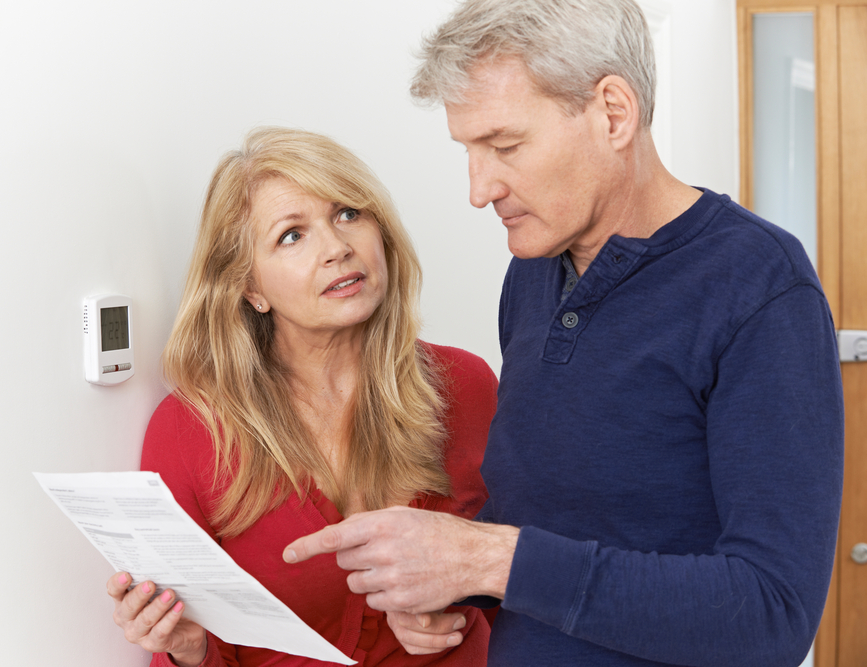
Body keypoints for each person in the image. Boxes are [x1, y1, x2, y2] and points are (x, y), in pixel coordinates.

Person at [284, 1, 845, 665]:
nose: (479, 187)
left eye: (505, 145)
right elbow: (556, 526)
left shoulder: (760, 288)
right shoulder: (531, 276)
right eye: (469, 150)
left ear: (613, 112)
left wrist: (492, 561)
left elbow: (771, 615)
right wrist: (457, 582)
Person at [104, 126, 499, 667]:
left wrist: (459, 602)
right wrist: (187, 651)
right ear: (250, 288)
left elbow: (528, 577)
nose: (338, 247)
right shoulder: (192, 433)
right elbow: (196, 642)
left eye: (348, 213)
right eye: (292, 235)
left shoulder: (468, 386)